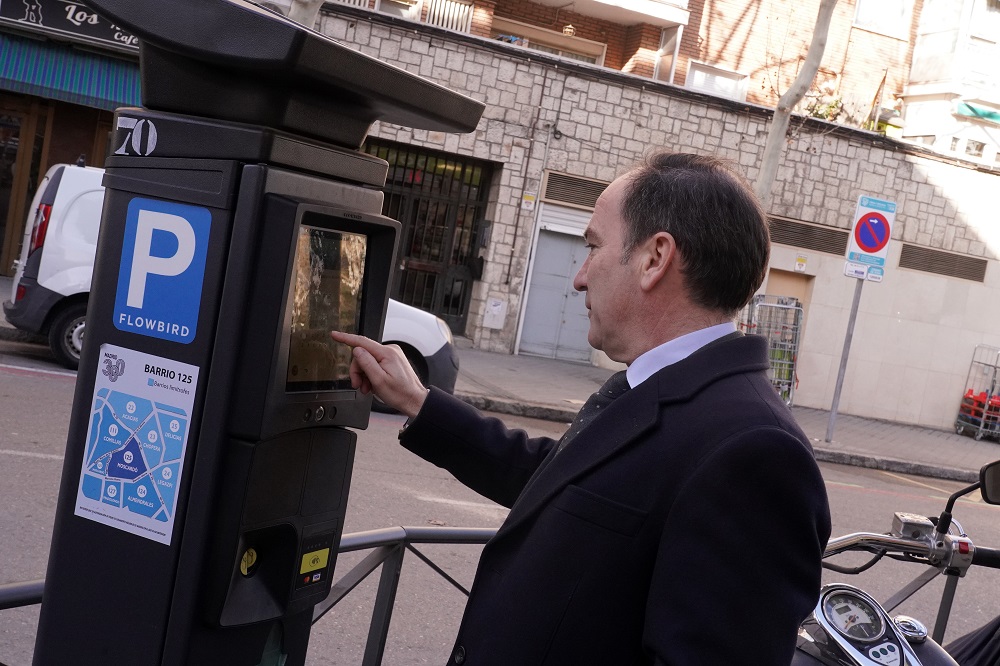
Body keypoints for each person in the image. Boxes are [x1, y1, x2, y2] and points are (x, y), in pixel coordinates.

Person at [331, 151, 831, 665]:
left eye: (593, 247)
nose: (579, 277)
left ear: (655, 259)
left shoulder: (755, 450)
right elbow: (559, 480)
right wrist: (419, 403)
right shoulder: (657, 385)